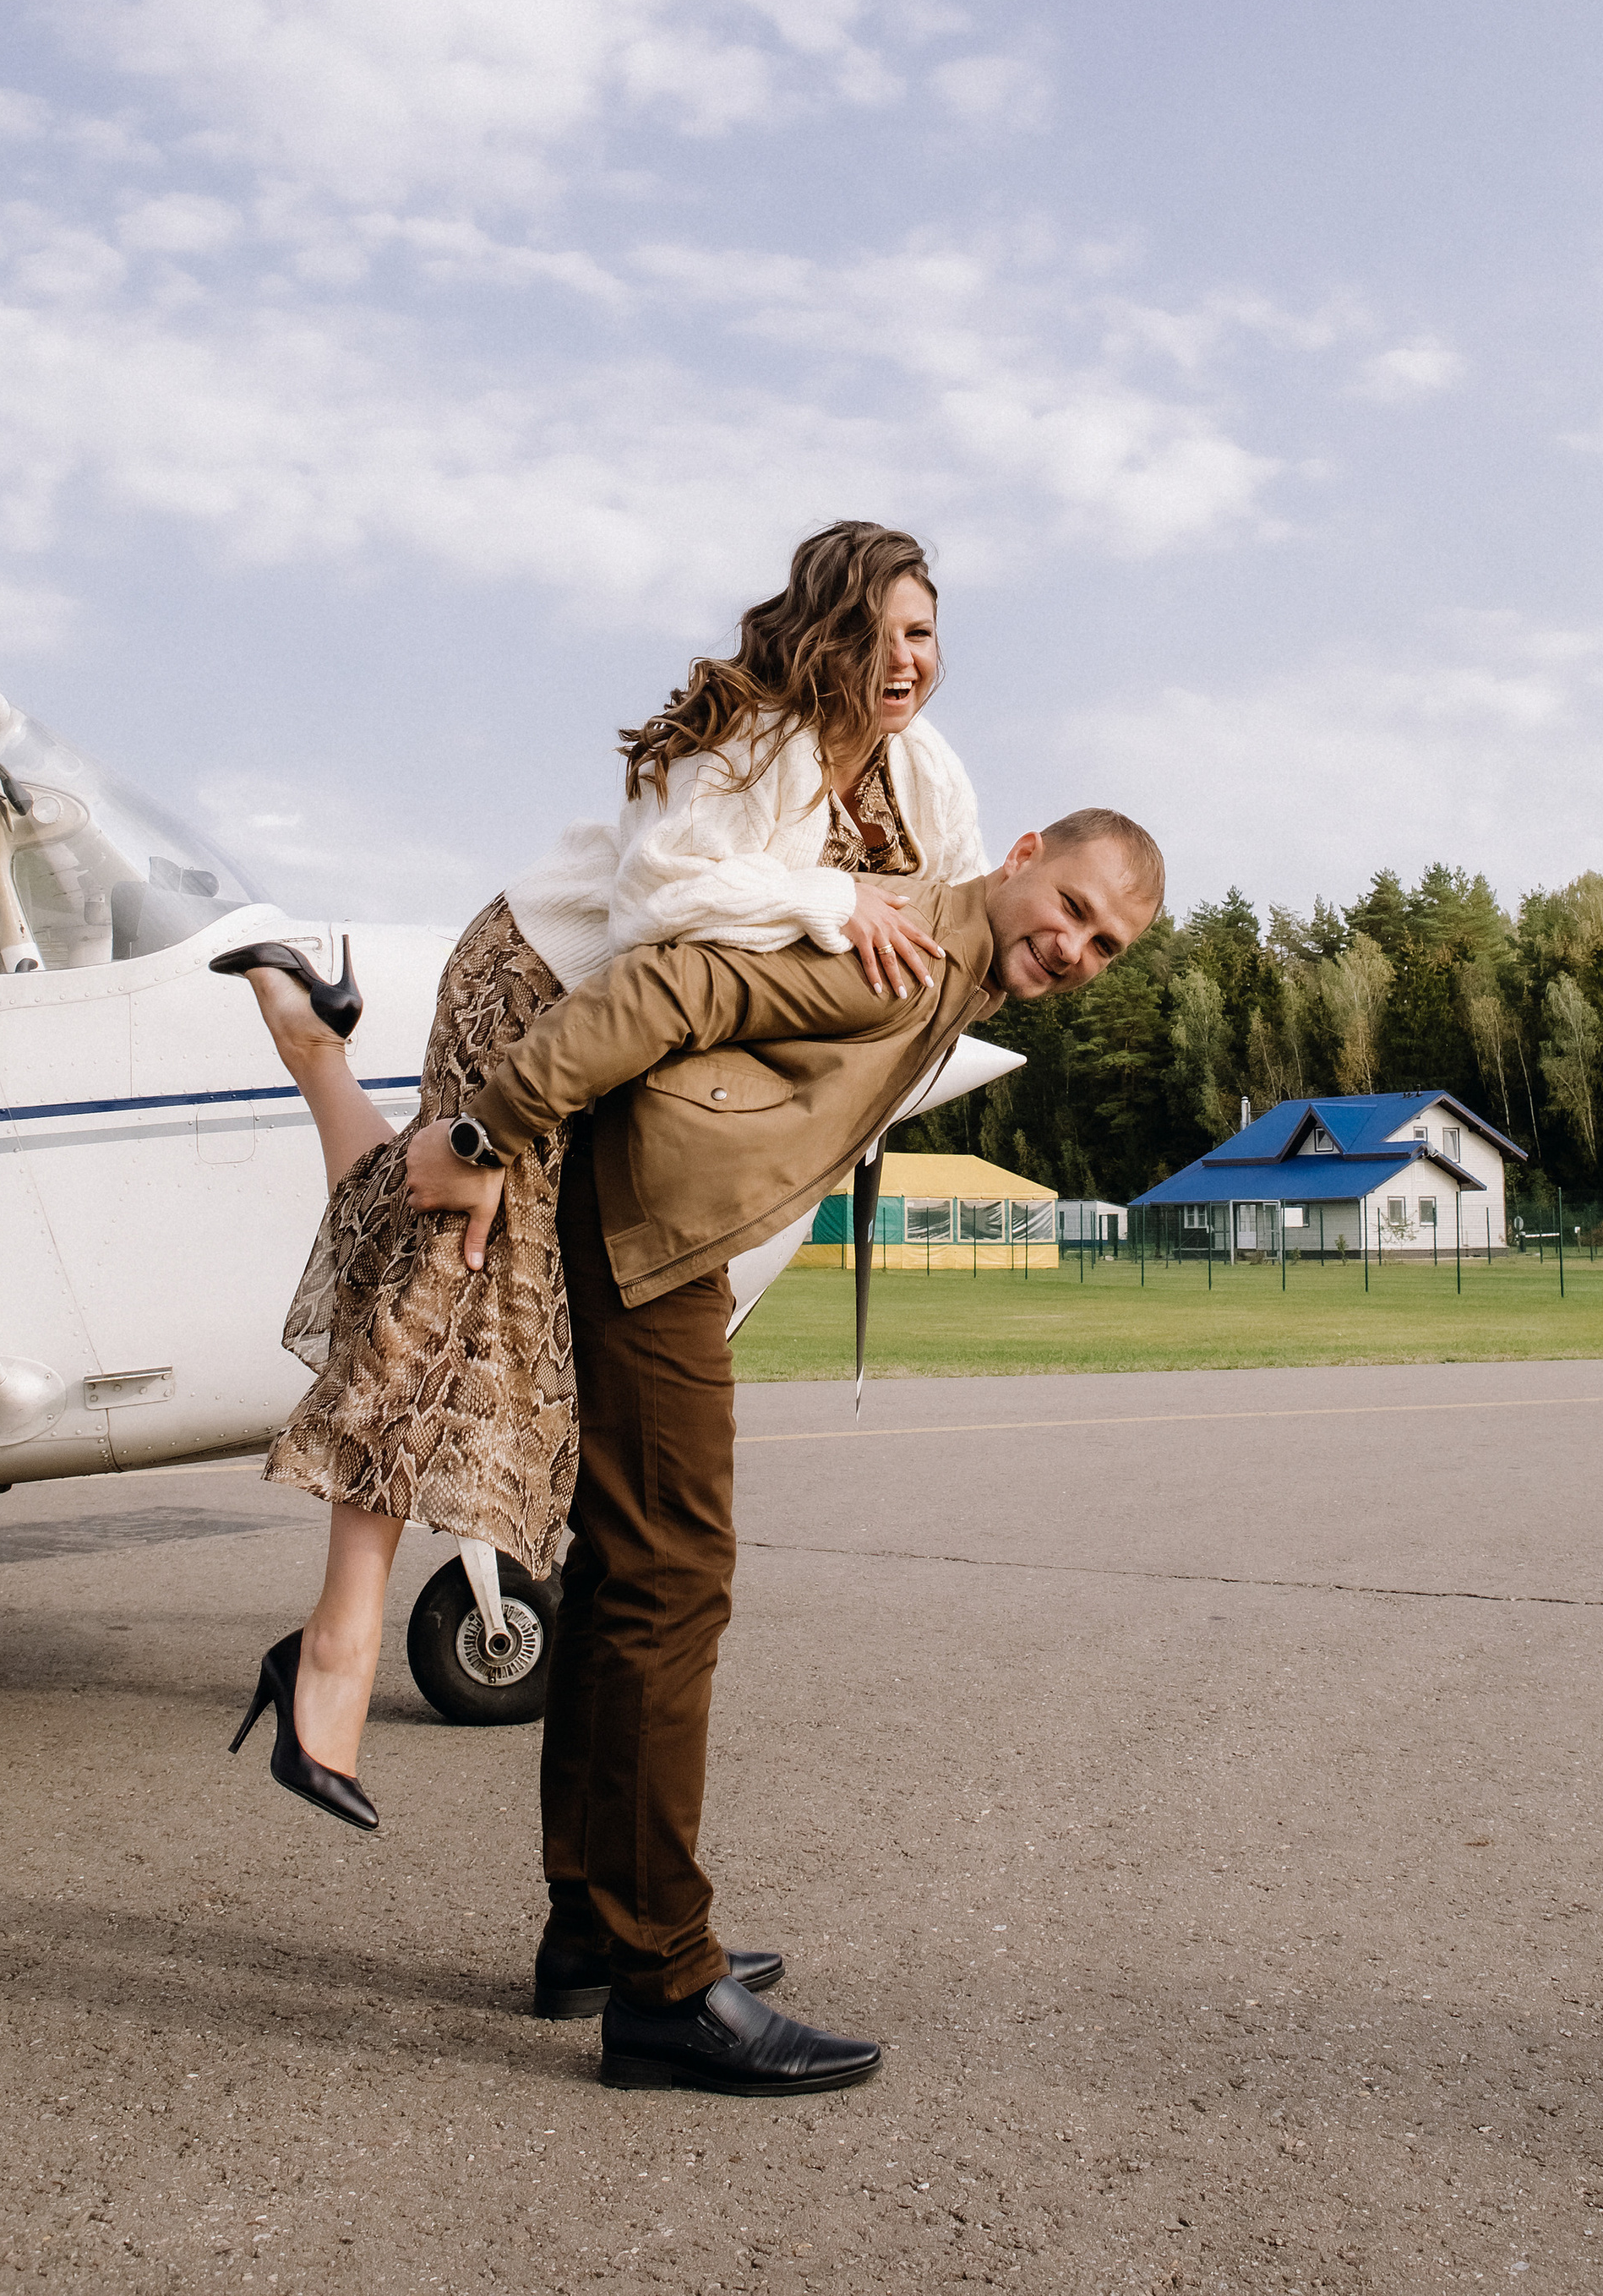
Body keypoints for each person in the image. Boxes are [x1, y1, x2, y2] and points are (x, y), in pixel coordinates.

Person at [219, 522, 984, 1833]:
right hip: (542, 988)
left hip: (632, 1036)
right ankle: (331, 1663)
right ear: (826, 637)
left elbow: (945, 918)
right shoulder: (757, 739)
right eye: (881, 633)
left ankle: (314, 1050)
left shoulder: (925, 776)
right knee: (451, 1288)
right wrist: (827, 902)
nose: (909, 659)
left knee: (418, 1231)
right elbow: (656, 903)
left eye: (924, 633)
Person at [401, 806, 1165, 2097]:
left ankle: (592, 1929)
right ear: (1023, 852)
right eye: (1076, 909)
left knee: (624, 1572)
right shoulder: (907, 946)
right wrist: (491, 1128)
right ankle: (663, 1979)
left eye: (1109, 946)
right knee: (672, 1577)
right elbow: (671, 984)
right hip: (658, 1240)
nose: (1081, 950)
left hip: (664, 1228)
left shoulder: (945, 967)